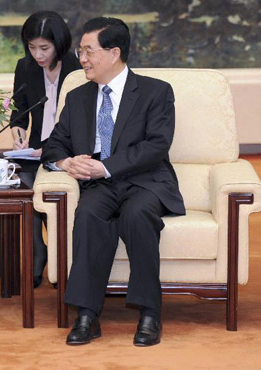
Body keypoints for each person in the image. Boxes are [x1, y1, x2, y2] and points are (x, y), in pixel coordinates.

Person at [41, 17, 185, 346]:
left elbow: (156, 145)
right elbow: (54, 145)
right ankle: (87, 315)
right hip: (99, 187)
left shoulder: (155, 92)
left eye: (88, 51)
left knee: (136, 216)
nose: (82, 58)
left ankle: (150, 313)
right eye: (80, 51)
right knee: (89, 215)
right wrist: (66, 161)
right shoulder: (77, 98)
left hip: (145, 181)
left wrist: (105, 168)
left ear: (114, 52)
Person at [10, 11, 81, 288]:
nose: (37, 55)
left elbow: (81, 121)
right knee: (22, 188)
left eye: (44, 48)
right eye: (31, 47)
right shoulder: (25, 67)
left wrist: (52, 149)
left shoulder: (77, 68)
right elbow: (18, 110)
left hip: (69, 151)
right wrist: (18, 134)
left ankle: (59, 255)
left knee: (55, 197)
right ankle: (37, 250)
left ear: (59, 44)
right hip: (35, 151)